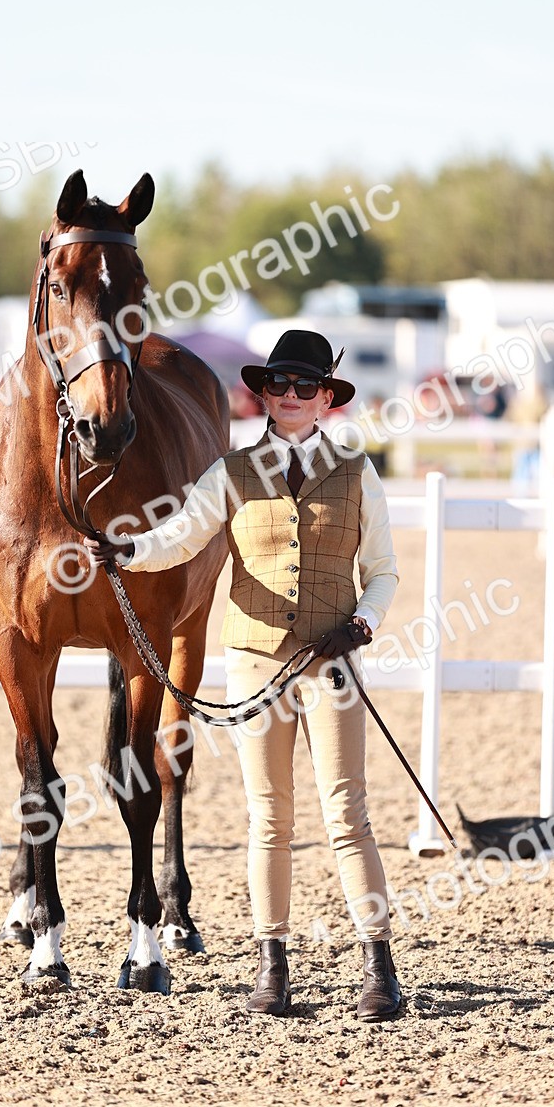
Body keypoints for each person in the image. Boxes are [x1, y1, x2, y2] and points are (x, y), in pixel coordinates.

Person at [85, 330, 401, 1021]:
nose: (290, 397)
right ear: (263, 393)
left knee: (348, 816)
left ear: (326, 397)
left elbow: (383, 571)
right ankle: (272, 966)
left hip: (332, 663)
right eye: (279, 384)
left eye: (304, 386)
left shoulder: (356, 471)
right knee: (269, 819)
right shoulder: (230, 472)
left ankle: (379, 966)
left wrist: (365, 621)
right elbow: (181, 536)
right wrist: (126, 551)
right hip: (257, 662)